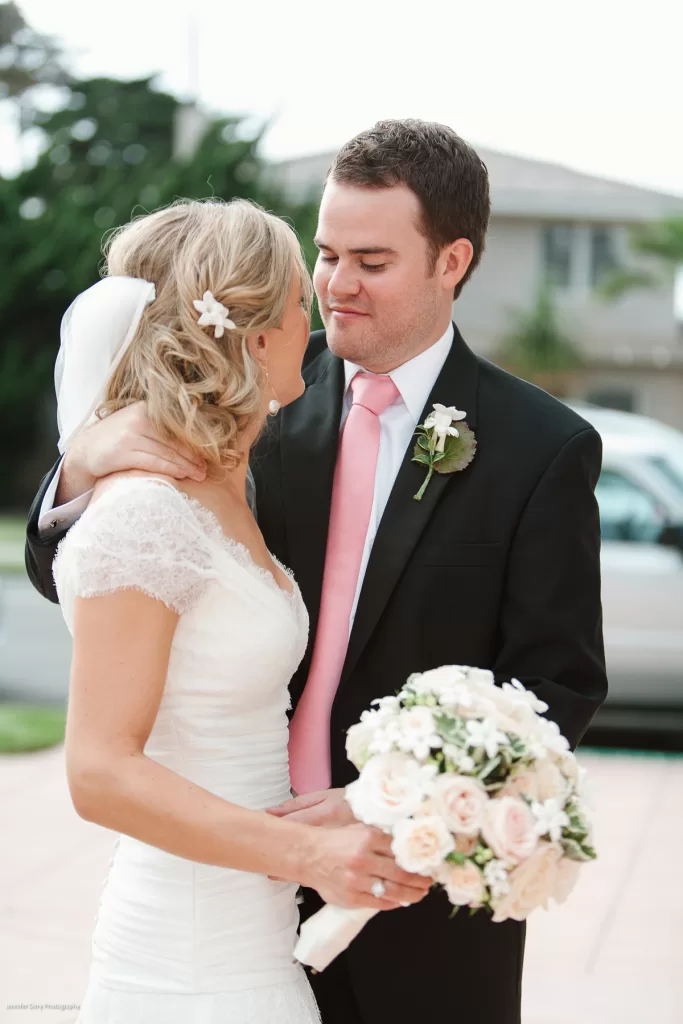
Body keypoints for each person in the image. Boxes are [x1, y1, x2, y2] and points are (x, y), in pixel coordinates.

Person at [26, 121, 607, 1024]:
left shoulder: (543, 447)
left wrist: (391, 806)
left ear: (451, 260)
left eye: (370, 261)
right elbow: (94, 569)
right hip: (222, 883)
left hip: (412, 900)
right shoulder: (245, 394)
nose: (335, 286)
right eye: (327, 254)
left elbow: (556, 685)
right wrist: (78, 472)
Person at [24, 197, 431, 1024]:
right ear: (254, 339)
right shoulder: (147, 509)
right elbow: (99, 773)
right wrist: (309, 852)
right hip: (186, 958)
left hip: (256, 939)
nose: (314, 315)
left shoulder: (226, 482)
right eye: (295, 305)